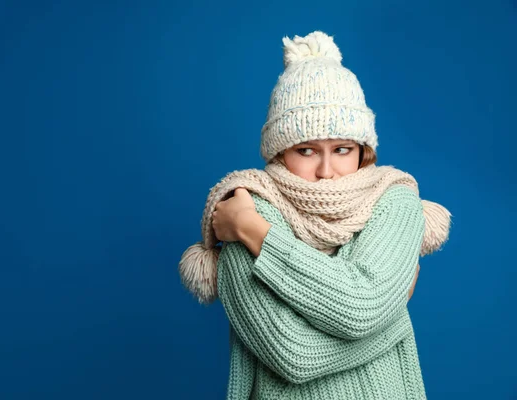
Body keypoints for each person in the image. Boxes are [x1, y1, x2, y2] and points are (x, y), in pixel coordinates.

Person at [178, 31, 452, 399]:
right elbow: (292, 354)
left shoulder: (394, 200)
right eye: (306, 150)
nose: (326, 170)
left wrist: (256, 234)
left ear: (362, 150)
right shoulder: (245, 205)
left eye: (341, 148)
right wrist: (395, 313)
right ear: (280, 152)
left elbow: (362, 307)